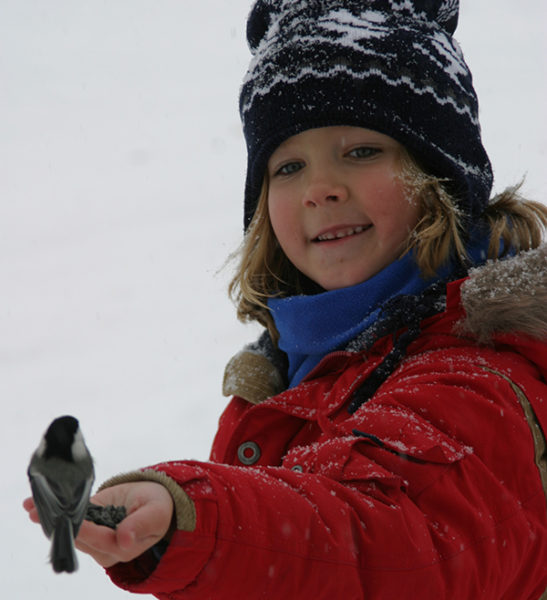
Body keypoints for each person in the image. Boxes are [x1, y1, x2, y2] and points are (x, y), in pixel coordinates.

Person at [24, 0, 547, 597]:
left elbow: (388, 542)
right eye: (289, 166)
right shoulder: (290, 374)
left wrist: (204, 521)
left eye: (361, 151)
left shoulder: (484, 370)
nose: (320, 189)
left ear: (442, 176)